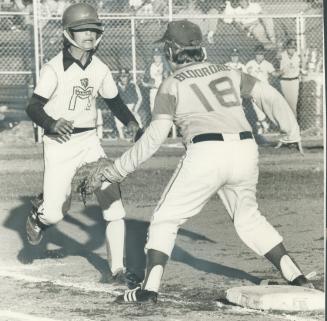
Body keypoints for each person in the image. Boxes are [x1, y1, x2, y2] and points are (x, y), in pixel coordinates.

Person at [100, 20, 311, 304]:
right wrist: (291, 130)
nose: (165, 53)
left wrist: (117, 170)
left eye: (166, 47)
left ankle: (148, 290)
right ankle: (296, 275)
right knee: (248, 218)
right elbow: (267, 93)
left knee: (165, 219)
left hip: (206, 152)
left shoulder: (171, 84)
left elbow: (154, 138)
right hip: (246, 150)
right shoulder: (229, 72)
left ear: (173, 50)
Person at [25, 3, 142, 287]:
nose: (89, 34)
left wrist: (132, 122)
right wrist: (51, 124)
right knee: (55, 212)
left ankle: (117, 269)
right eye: (81, 30)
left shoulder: (100, 67)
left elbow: (113, 100)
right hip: (60, 144)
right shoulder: (54, 68)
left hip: (90, 143)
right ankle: (38, 218)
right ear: (69, 33)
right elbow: (33, 107)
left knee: (113, 205)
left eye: (93, 29)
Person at [115, 68, 143, 139]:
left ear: (128, 76)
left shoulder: (133, 85)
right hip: (121, 107)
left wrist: (135, 109)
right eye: (122, 76)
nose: (124, 79)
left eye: (125, 76)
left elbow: (140, 98)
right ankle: (121, 136)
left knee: (135, 118)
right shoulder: (116, 86)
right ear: (119, 77)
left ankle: (139, 134)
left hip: (132, 106)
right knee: (117, 116)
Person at [142, 47, 170, 115]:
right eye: (155, 55)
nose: (156, 57)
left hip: (163, 90)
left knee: (164, 110)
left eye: (158, 55)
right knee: (153, 110)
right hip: (153, 90)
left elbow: (169, 80)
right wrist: (148, 84)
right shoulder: (150, 66)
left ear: (161, 56)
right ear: (153, 56)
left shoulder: (165, 66)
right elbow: (144, 81)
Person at [278, 39, 301, 117]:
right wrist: (279, 46)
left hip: (294, 81)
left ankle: (293, 122)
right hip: (285, 81)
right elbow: (277, 56)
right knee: (286, 102)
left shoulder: (298, 55)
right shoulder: (282, 55)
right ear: (287, 47)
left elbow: (302, 65)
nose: (291, 49)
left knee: (293, 102)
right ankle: (287, 122)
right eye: (290, 47)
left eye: (293, 47)